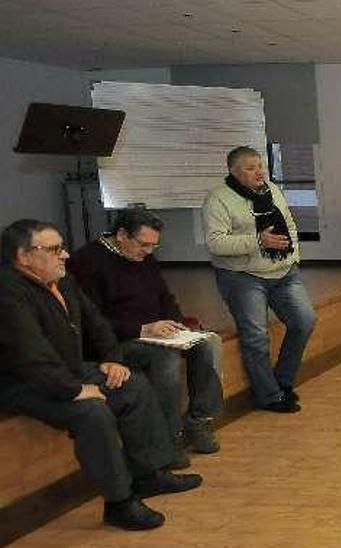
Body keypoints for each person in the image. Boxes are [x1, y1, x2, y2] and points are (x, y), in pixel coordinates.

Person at [0, 220, 201, 531]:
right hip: (24, 384)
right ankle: (119, 503)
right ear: (24, 256)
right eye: (54, 250)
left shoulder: (63, 281)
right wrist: (74, 390)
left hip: (67, 369)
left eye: (62, 247)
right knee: (93, 412)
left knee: (133, 384)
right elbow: (31, 357)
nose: (64, 255)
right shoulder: (8, 293)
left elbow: (97, 324)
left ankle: (150, 474)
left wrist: (111, 359)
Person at [68, 209, 224, 455]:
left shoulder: (144, 258)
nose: (149, 251)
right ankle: (169, 438)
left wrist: (177, 323)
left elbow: (164, 296)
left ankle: (199, 421)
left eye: (154, 245)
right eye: (143, 244)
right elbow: (92, 321)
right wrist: (141, 328)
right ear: (121, 235)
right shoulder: (86, 262)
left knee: (207, 344)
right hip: (117, 341)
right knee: (165, 359)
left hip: (153, 333)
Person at [204, 146, 316, 413]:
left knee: (304, 321)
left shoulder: (272, 190)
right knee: (255, 336)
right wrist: (258, 241)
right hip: (242, 276)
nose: (259, 172)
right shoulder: (218, 199)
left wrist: (294, 256)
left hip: (283, 270)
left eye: (260, 166)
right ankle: (269, 396)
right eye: (250, 168)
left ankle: (283, 382)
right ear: (233, 171)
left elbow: (289, 224)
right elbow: (215, 243)